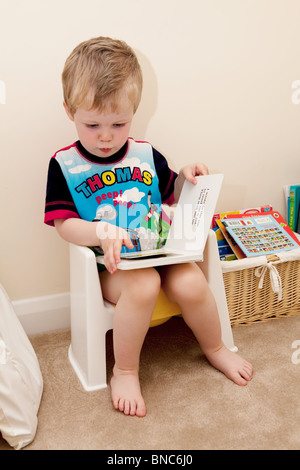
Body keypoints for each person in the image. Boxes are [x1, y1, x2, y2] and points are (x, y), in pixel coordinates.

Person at [44, 36, 253, 417]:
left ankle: (216, 347)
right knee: (143, 285)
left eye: (118, 123)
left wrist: (187, 175)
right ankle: (124, 370)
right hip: (113, 265)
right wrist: (99, 232)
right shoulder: (64, 164)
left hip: (160, 250)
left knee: (191, 281)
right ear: (68, 111)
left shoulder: (145, 154)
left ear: (134, 113)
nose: (106, 136)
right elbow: (63, 225)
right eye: (92, 124)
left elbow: (171, 192)